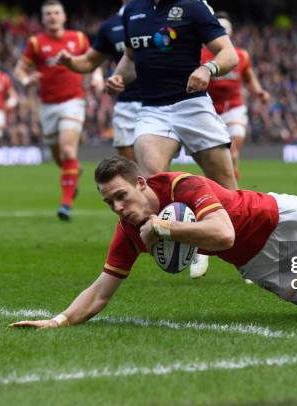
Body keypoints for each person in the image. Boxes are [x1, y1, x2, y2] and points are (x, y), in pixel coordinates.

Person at [11, 155, 297, 330]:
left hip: (280, 218)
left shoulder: (183, 185)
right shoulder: (131, 229)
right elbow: (101, 288)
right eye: (109, 203)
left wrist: (165, 229)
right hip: (261, 264)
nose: (117, 208)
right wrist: (60, 321)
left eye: (121, 197)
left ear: (142, 183)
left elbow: (222, 233)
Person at [105, 0, 240, 279]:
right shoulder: (133, 11)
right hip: (153, 110)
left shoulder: (192, 7)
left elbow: (229, 54)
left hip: (192, 106)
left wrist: (208, 69)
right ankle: (195, 244)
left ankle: (246, 253)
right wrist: (119, 78)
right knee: (154, 182)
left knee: (228, 192)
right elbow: (131, 58)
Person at [14, 0, 92, 221]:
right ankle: (72, 177)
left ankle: (66, 203)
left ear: (64, 16)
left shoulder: (78, 38)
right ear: (42, 18)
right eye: (48, 13)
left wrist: (95, 77)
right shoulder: (36, 43)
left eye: (56, 12)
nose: (52, 16)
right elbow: (20, 69)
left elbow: (92, 61)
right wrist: (26, 80)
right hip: (47, 106)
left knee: (68, 151)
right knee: (60, 158)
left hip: (73, 101)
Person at [57, 0, 141, 161]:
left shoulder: (161, 14)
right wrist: (70, 61)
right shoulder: (110, 26)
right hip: (127, 103)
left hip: (161, 100)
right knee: (132, 168)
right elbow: (90, 61)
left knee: (155, 167)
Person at [200, 12, 270, 180]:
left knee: (232, 153)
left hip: (234, 108)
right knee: (215, 160)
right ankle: (223, 187)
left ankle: (232, 194)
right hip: (210, 110)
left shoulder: (241, 56)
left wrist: (259, 91)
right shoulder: (200, 55)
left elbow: (249, 78)